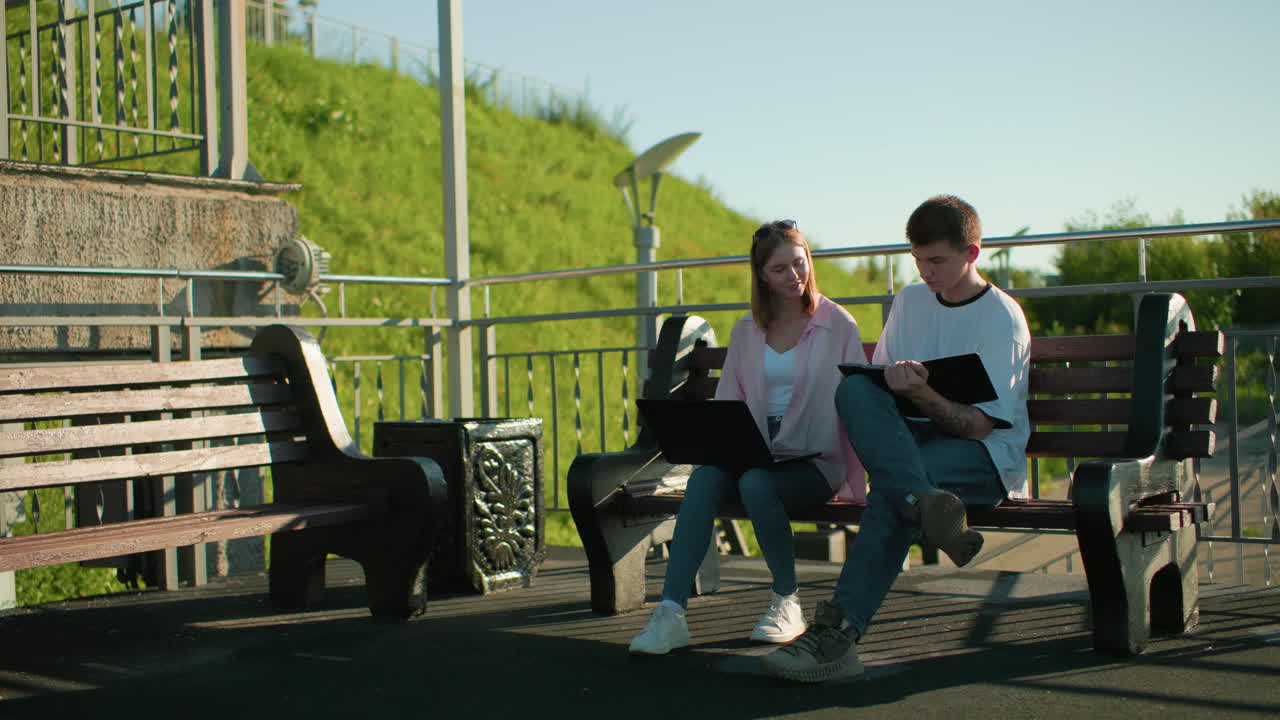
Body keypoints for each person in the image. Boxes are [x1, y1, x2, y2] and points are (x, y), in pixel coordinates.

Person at [762, 195, 1032, 682]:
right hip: (915, 443)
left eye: (937, 261)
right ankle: (926, 504)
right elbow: (880, 390)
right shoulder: (910, 301)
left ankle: (838, 637)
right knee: (855, 391)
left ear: (972, 253)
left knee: (892, 494)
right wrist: (891, 386)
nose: (926, 272)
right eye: (918, 260)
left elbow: (980, 427)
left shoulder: (1002, 319)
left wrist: (923, 393)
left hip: (983, 458)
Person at [629, 219, 867, 655]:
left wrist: (873, 471)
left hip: (814, 461)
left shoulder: (838, 325)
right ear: (761, 275)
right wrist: (725, 446)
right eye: (780, 269)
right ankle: (670, 613)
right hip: (754, 452)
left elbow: (859, 399)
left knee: (758, 483)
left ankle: (786, 602)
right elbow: (727, 405)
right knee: (704, 478)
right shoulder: (746, 330)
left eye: (800, 263)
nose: (794, 275)